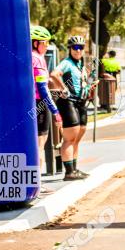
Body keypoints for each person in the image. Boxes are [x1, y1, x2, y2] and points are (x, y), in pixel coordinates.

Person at [52, 35, 94, 180]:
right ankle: (69, 172)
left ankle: (75, 169)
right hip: (68, 101)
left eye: (81, 47)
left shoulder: (81, 64)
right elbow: (54, 74)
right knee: (70, 138)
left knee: (79, 135)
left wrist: (89, 87)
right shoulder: (67, 63)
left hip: (81, 102)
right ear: (70, 49)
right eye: (75, 48)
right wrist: (63, 87)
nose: (78, 50)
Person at [32, 25, 62, 178]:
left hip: (32, 104)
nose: (47, 45)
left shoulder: (31, 57)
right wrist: (55, 111)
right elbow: (43, 89)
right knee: (39, 146)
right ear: (36, 43)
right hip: (40, 105)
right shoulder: (37, 59)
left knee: (36, 146)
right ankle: (38, 184)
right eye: (45, 42)